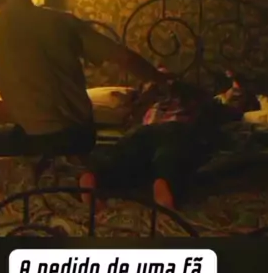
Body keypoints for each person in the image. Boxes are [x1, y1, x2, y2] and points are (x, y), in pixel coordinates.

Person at [0, 0, 168, 166]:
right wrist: (160, 79)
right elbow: (125, 58)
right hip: (81, 136)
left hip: (37, 140)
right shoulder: (64, 21)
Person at [80, 77, 237, 211]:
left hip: (152, 131)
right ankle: (163, 188)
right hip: (164, 131)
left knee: (125, 155)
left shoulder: (184, 101)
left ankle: (92, 177)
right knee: (165, 156)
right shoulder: (181, 104)